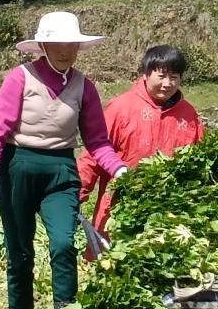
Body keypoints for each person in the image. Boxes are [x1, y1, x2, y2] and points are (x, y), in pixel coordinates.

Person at [0, 11, 126, 309]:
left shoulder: (84, 87)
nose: (64, 50)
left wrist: (119, 169)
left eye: (71, 43)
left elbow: (98, 141)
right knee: (19, 249)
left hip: (59, 170)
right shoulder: (20, 77)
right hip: (16, 166)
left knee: (62, 243)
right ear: (42, 45)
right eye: (56, 43)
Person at [76, 44, 204, 252]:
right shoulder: (121, 108)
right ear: (145, 74)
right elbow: (93, 155)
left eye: (174, 77)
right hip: (119, 208)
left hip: (171, 211)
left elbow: (200, 163)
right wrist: (74, 195)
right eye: (161, 76)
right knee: (115, 268)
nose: (167, 83)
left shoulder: (188, 115)